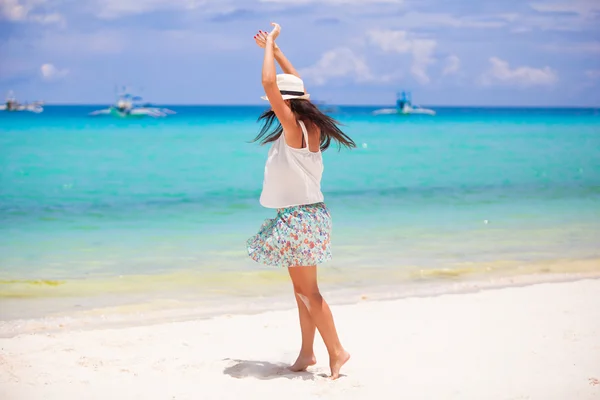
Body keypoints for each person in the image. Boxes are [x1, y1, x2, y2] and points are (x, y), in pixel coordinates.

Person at [247, 23, 355, 380]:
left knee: (309, 293)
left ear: (285, 103)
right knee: (301, 292)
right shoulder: (312, 125)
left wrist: (268, 48)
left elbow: (268, 84)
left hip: (300, 219)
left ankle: (336, 351)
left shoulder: (294, 127)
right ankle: (307, 353)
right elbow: (294, 82)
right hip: (306, 216)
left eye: (279, 100)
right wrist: (277, 52)